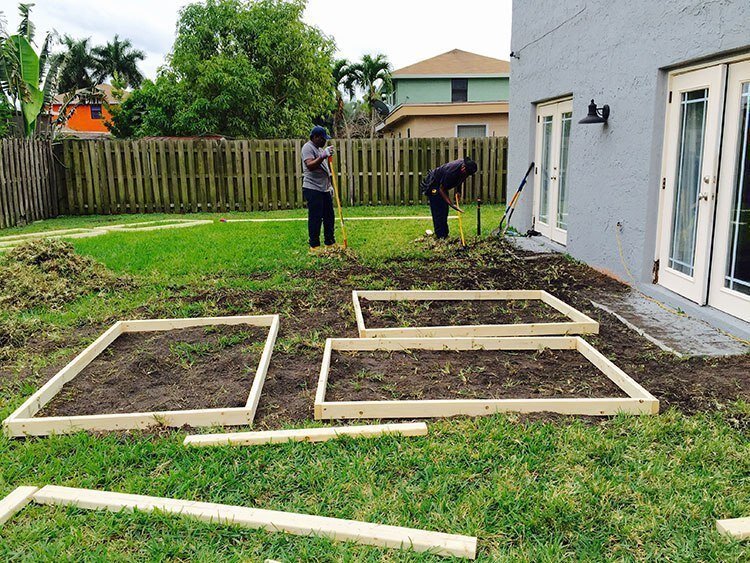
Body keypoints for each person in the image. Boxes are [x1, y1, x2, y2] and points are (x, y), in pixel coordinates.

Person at [420, 156, 478, 239]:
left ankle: (444, 234)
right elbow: (441, 188)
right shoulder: (451, 172)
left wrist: (458, 192)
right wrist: (452, 204)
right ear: (463, 166)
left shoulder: (465, 171)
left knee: (444, 209)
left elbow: (461, 178)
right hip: (434, 184)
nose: (463, 170)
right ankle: (440, 236)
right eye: (464, 169)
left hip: (441, 184)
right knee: (439, 210)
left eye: (466, 172)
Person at [301, 125, 336, 251]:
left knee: (329, 216)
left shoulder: (319, 149)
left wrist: (329, 185)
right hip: (313, 188)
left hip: (324, 188)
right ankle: (314, 245)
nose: (324, 141)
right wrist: (323, 156)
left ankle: (330, 242)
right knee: (316, 217)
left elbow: (325, 170)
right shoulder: (307, 147)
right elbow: (310, 165)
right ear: (315, 137)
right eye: (322, 138)